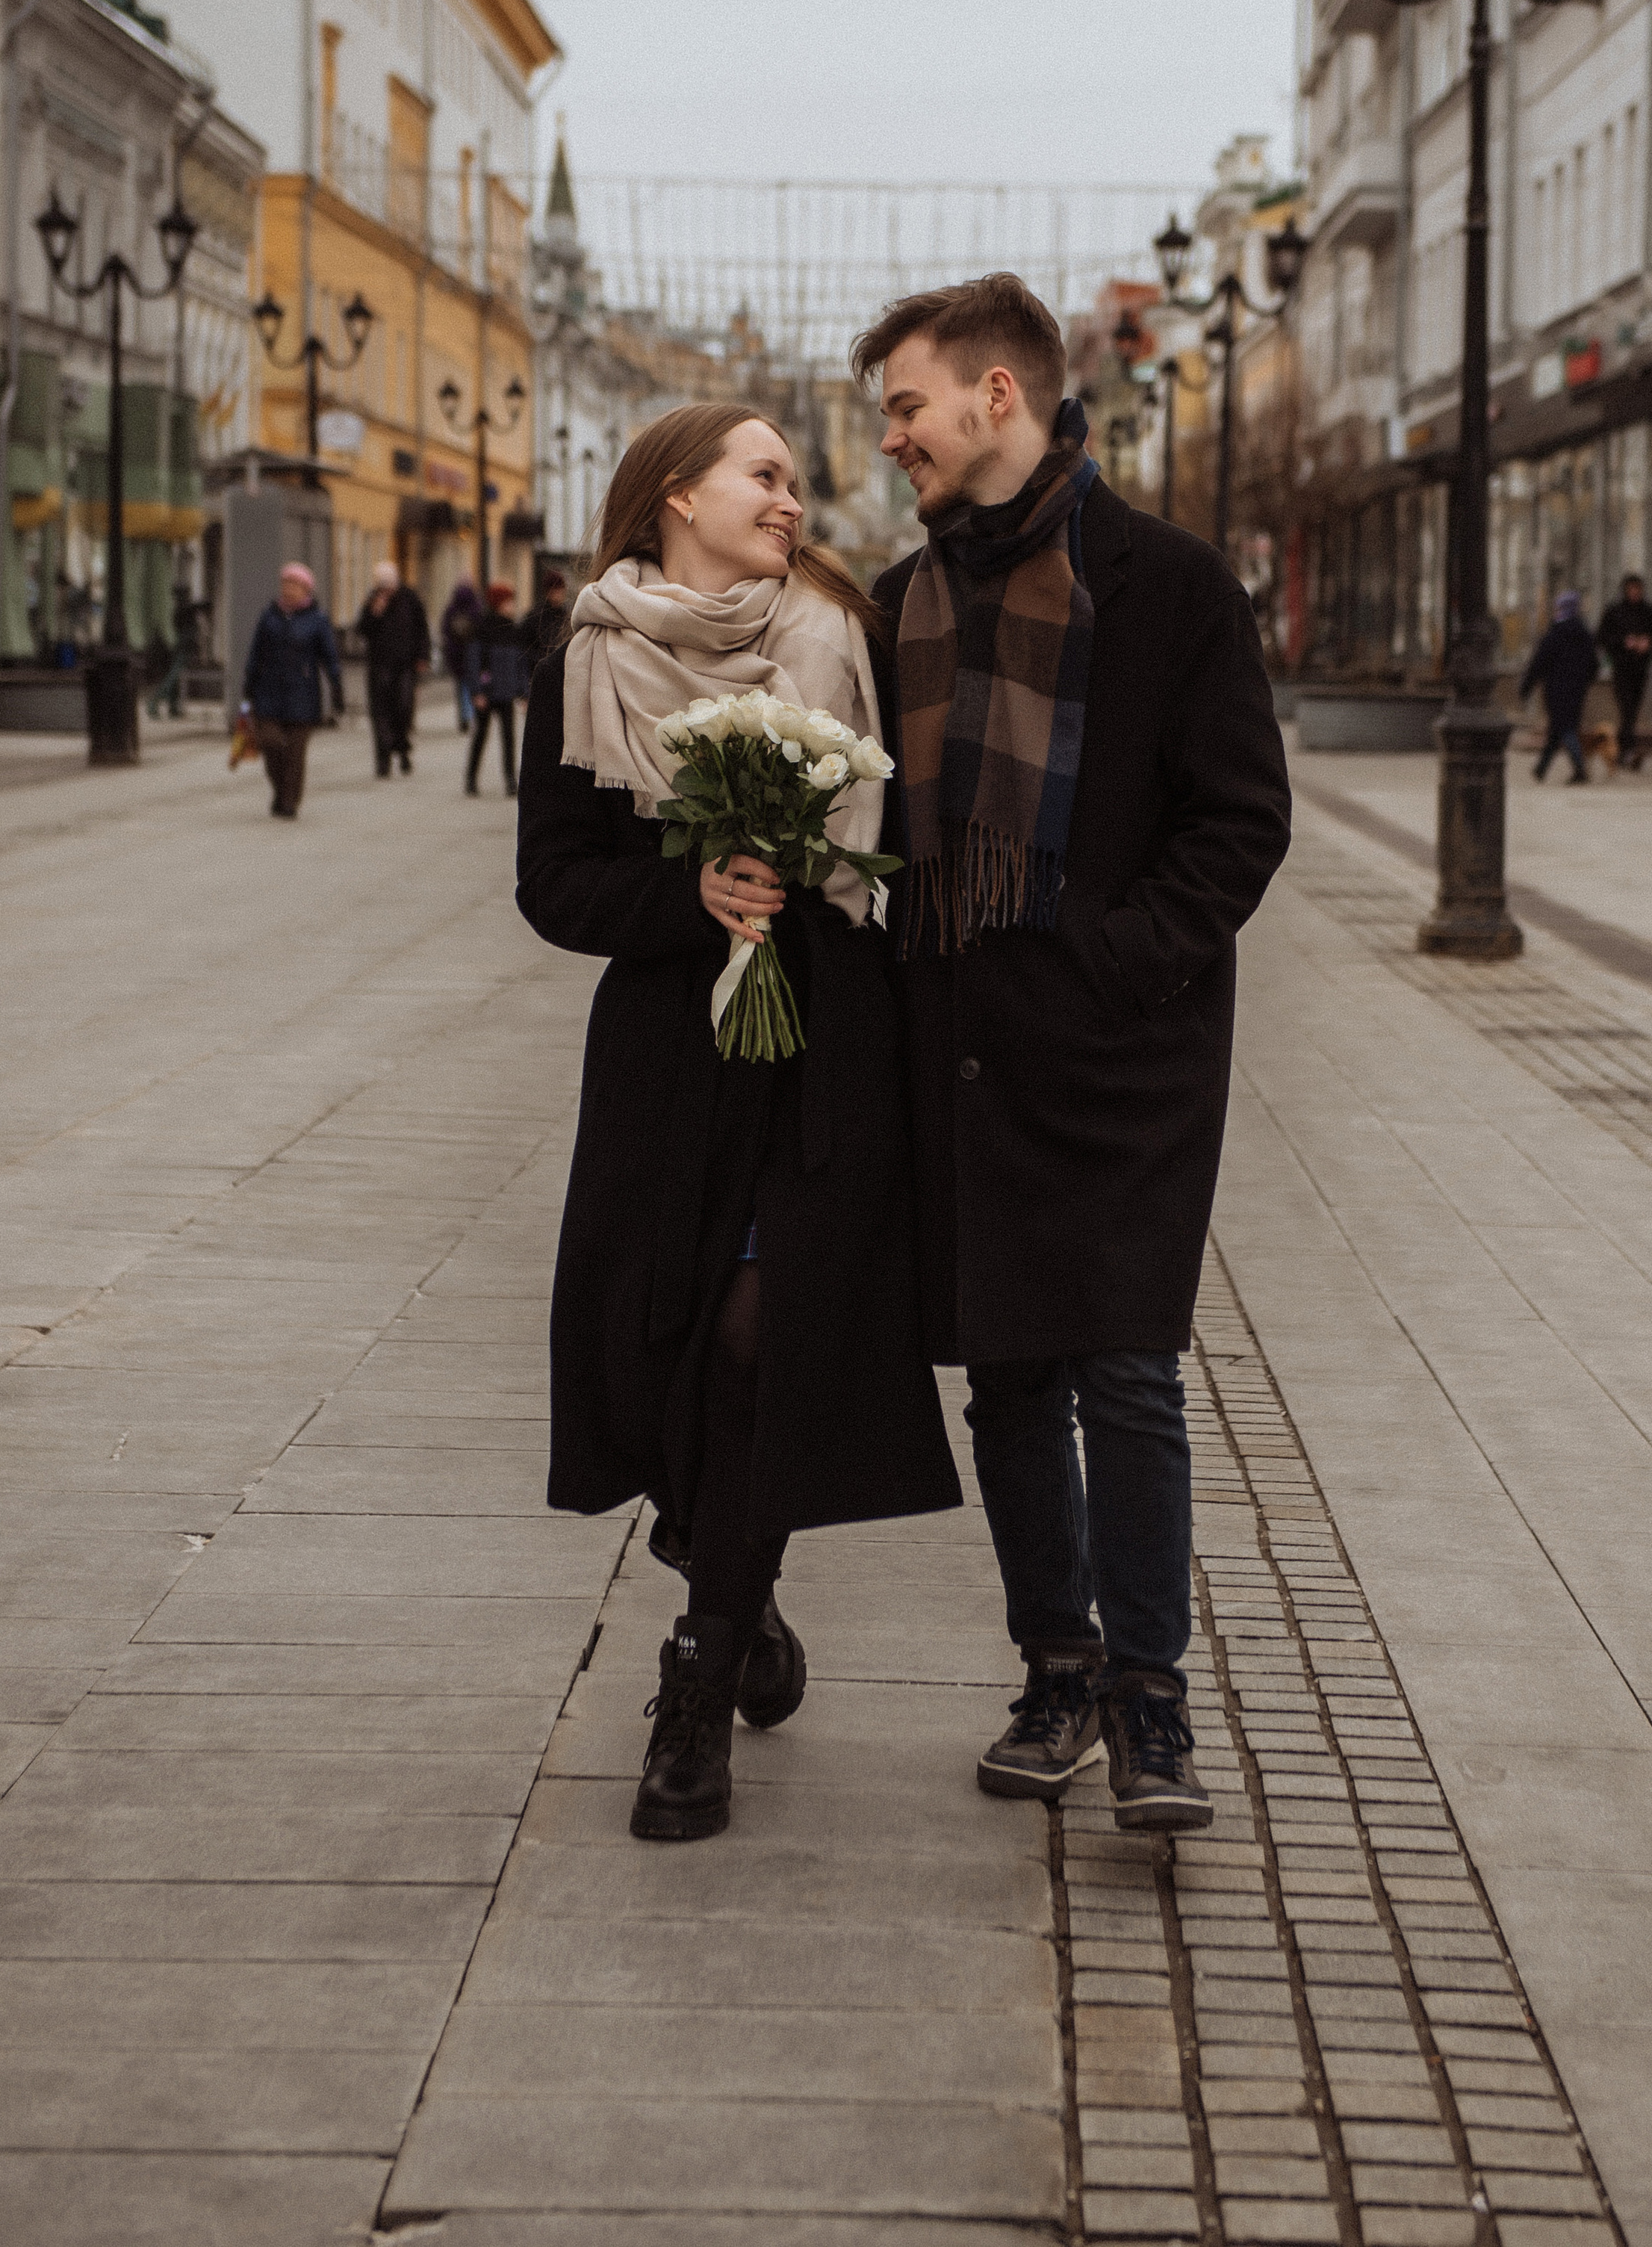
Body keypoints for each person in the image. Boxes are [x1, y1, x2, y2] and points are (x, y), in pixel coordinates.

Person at [854, 274, 1292, 1835]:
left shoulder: (1167, 584)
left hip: (1123, 1060)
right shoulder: (899, 603)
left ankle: (1150, 1701)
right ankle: (1056, 1667)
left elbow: (1239, 819)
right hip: (968, 1053)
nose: (890, 437)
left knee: (1126, 1367)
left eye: (905, 405)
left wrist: (1118, 962)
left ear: (997, 395)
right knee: (1011, 1379)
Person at [516, 402, 960, 1844]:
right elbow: (553, 881)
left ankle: (697, 1688)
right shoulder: (589, 660)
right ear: (675, 492)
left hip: (822, 1049)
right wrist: (688, 893)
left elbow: (903, 843)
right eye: (764, 474)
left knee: (757, 1333)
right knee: (668, 1343)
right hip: (668, 1062)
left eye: (793, 479)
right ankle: (740, 1584)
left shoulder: (839, 634)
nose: (790, 498)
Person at [242, 562, 343, 819]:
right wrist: (249, 684)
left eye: (294, 584)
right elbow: (256, 652)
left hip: (303, 695)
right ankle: (280, 790)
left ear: (306, 589)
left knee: (296, 754)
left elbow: (329, 657)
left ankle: (289, 801)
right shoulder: (269, 616)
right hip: (268, 692)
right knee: (270, 743)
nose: (288, 588)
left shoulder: (317, 620)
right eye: (285, 583)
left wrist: (336, 687)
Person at [356, 560, 431, 778]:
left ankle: (402, 748)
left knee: (403, 709)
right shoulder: (373, 600)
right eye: (382, 585)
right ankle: (383, 760)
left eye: (389, 585)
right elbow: (361, 630)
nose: (386, 590)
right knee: (380, 713)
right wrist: (374, 613)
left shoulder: (410, 598)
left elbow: (422, 629)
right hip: (379, 666)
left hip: (405, 665)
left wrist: (423, 656)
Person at [1521, 587, 1600, 783]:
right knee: (1559, 729)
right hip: (1577, 690)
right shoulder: (1584, 634)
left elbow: (1539, 663)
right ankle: (1541, 769)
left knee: (1564, 728)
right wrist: (1584, 681)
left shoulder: (1554, 634)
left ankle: (1580, 768)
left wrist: (1526, 686)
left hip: (1556, 689)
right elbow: (1594, 664)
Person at [1595, 574, 1652, 770]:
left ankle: (1623, 751)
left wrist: (1648, 641)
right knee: (1627, 708)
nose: (1635, 593)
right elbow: (1601, 637)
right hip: (1621, 668)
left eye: (1638, 589)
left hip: (1641, 669)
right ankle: (1627, 750)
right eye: (1632, 589)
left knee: (1632, 710)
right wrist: (1624, 642)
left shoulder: (1649, 612)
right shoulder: (1614, 611)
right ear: (1625, 590)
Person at [467, 580, 528, 797]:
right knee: (480, 736)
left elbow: (520, 664)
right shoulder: (482, 628)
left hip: (506, 693)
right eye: (509, 601)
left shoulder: (513, 629)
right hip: (487, 692)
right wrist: (477, 692)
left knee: (509, 738)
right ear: (499, 603)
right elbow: (474, 661)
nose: (512, 605)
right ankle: (471, 778)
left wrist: (523, 693)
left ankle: (510, 780)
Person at [441, 578, 483, 732]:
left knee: (462, 687)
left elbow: (445, 630)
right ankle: (471, 714)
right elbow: (481, 632)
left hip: (457, 655)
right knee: (473, 686)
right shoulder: (476, 608)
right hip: (473, 654)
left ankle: (465, 716)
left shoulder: (452, 609)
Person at [520, 566, 570, 670]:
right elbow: (526, 647)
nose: (558, 595)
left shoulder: (566, 617)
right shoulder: (536, 617)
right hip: (540, 668)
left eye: (560, 590)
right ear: (548, 592)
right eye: (555, 590)